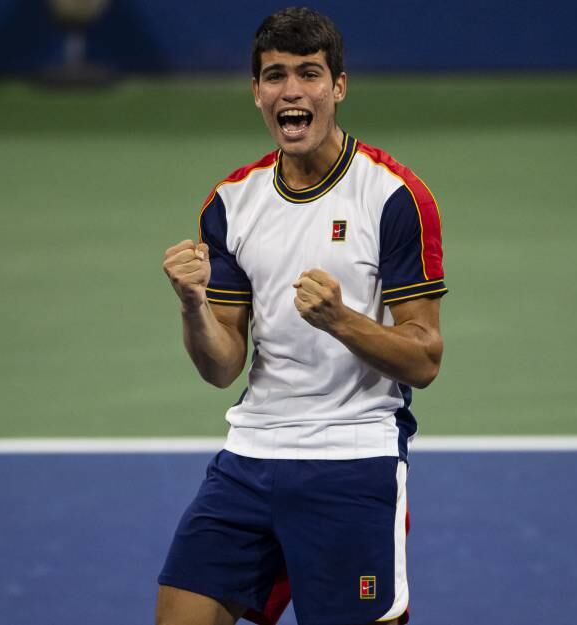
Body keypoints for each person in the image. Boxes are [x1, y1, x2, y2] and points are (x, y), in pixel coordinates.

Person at [158, 7, 446, 625]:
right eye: (275, 76)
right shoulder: (231, 203)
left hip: (354, 456)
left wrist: (341, 319)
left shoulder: (393, 197)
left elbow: (423, 359)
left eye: (309, 74)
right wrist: (192, 305)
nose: (292, 91)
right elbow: (222, 366)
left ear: (338, 87)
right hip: (252, 455)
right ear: (257, 93)